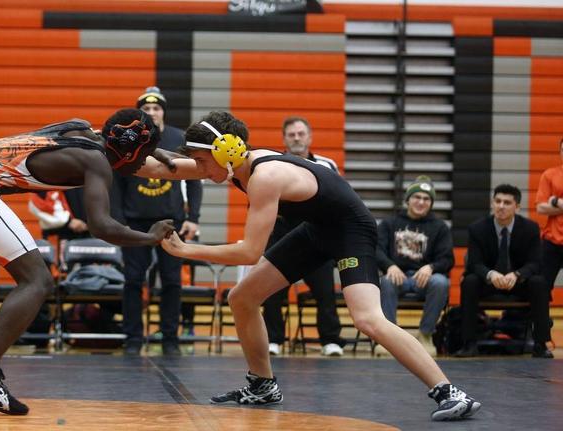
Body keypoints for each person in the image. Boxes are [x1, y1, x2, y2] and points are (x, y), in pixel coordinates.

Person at [159, 111, 480, 421]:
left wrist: (186, 249)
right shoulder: (234, 164)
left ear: (225, 150)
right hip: (317, 229)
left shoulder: (264, 177)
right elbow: (168, 168)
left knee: (367, 318)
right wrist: (128, 155)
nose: (199, 169)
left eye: (201, 161)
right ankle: (262, 386)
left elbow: (249, 252)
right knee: (242, 298)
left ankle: (449, 392)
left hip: (351, 231)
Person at [0, 108, 185, 415]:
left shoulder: (80, 129)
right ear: (130, 151)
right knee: (37, 280)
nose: (144, 165)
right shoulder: (97, 162)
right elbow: (101, 226)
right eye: (144, 155)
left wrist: (155, 149)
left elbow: (117, 140)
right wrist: (149, 238)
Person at [111, 87, 202, 356]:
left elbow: (195, 178)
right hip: (135, 223)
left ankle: (170, 339)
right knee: (133, 280)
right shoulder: (128, 139)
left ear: (163, 112)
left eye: (156, 108)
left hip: (171, 221)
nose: (152, 112)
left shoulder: (178, 138)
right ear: (140, 113)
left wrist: (193, 218)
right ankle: (133, 339)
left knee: (172, 281)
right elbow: (115, 183)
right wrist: (118, 221)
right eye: (146, 109)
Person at [263, 117, 345, 357]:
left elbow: (339, 199)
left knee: (325, 293)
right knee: (271, 293)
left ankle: (330, 340)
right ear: (284, 139)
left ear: (309, 137)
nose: (296, 138)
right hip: (281, 236)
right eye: (291, 134)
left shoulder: (327, 165)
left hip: (316, 239)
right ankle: (273, 339)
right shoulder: (273, 164)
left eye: (301, 134)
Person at [455, 184, 552, 359]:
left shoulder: (530, 228)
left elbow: (535, 263)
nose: (501, 206)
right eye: (498, 201)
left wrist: (517, 275)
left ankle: (540, 344)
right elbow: (474, 264)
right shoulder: (477, 228)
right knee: (469, 281)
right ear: (492, 203)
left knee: (539, 283)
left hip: (518, 282)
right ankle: (469, 343)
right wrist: (491, 274)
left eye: (507, 203)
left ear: (517, 207)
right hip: (489, 282)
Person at [375, 175, 453, 357]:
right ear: (408, 200)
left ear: (431, 203)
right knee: (386, 281)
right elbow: (376, 250)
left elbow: (447, 259)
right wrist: (389, 266)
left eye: (426, 199)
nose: (421, 202)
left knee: (441, 283)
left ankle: (425, 335)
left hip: (424, 279)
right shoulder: (389, 223)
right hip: (398, 277)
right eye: (417, 197)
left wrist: (431, 267)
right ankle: (389, 338)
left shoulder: (440, 227)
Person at [536, 137, 563, 294]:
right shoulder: (550, 174)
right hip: (552, 240)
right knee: (541, 286)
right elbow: (540, 208)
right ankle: (540, 312)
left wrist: (556, 201)